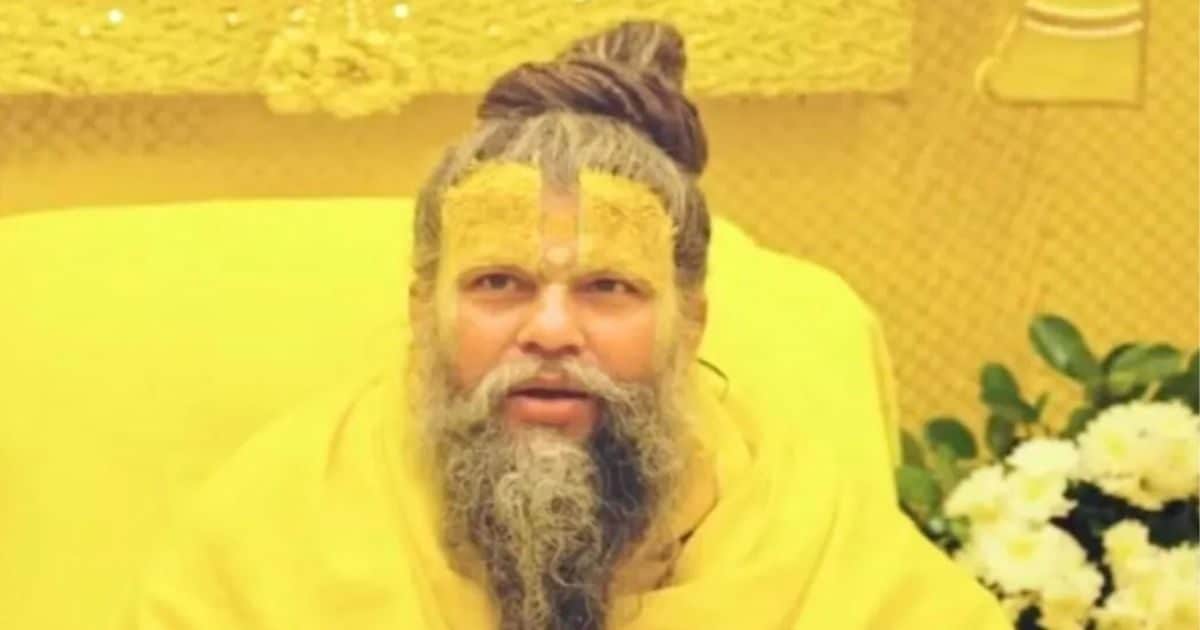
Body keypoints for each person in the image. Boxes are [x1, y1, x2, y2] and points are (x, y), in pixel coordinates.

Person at [123, 21, 1010, 630]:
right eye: (499, 283)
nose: (551, 330)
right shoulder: (285, 520)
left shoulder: (807, 536)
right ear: (423, 311)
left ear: (691, 323)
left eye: (608, 288)